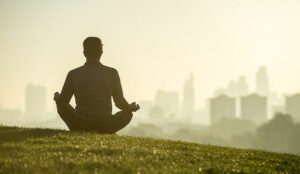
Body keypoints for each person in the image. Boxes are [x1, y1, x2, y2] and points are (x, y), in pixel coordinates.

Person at [54, 37, 139, 134]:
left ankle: (77, 130)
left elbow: (63, 103)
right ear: (101, 53)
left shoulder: (73, 74)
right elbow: (119, 102)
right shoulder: (112, 73)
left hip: (80, 124)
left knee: (60, 105)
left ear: (84, 53)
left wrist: (57, 97)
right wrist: (130, 107)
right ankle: (107, 131)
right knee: (127, 114)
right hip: (105, 125)